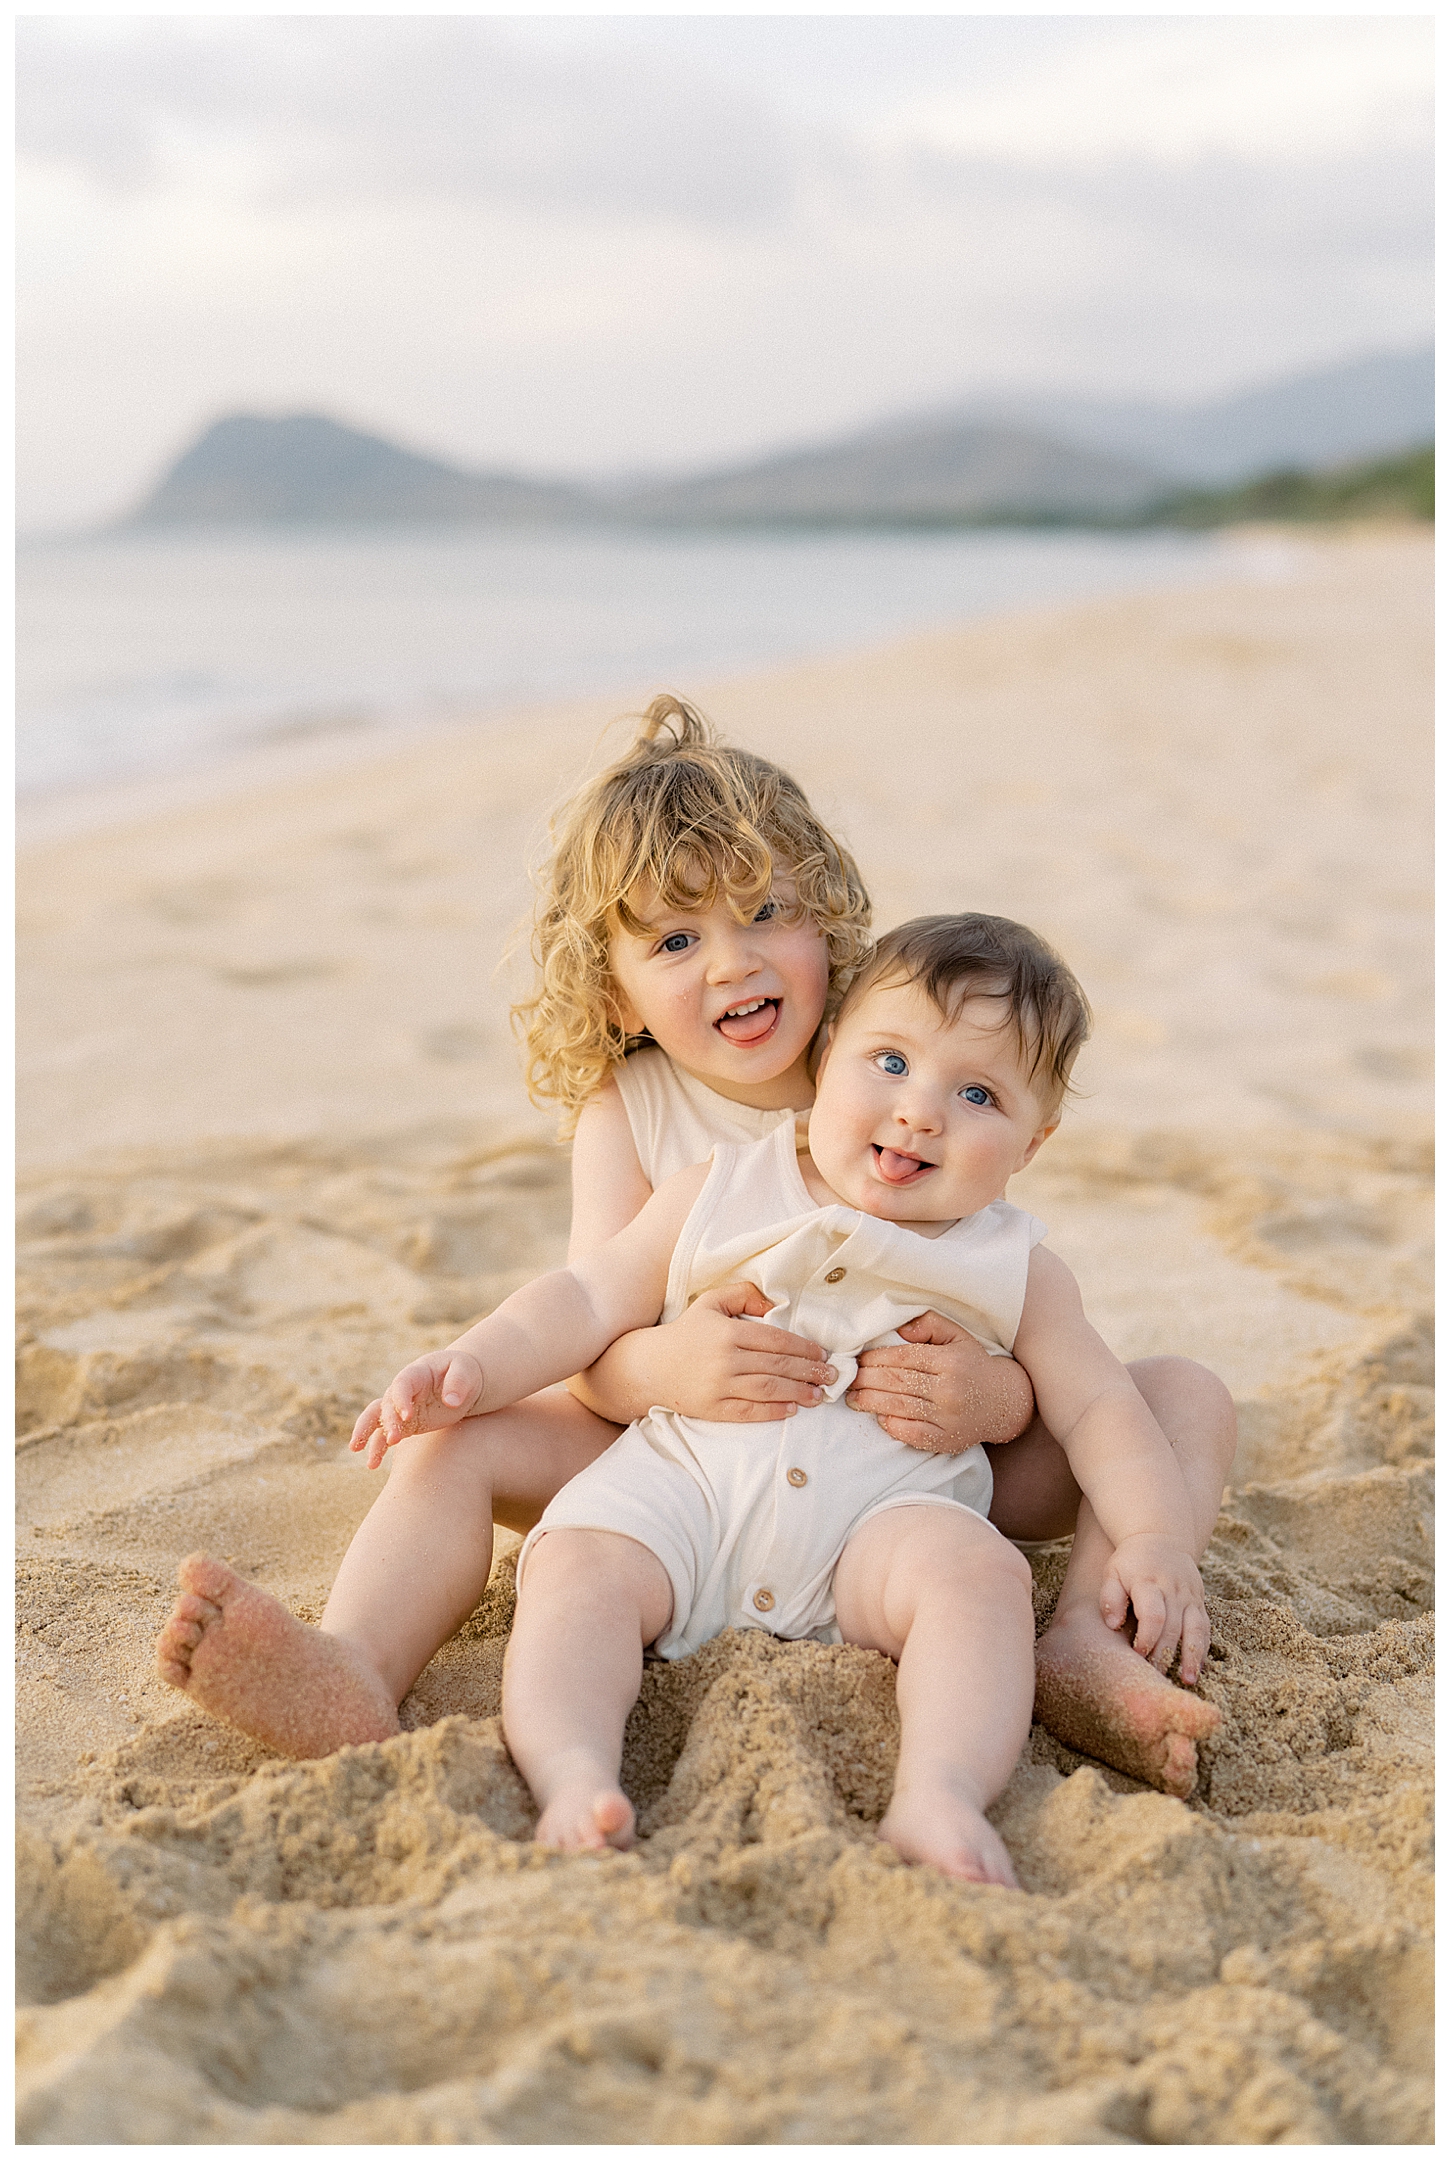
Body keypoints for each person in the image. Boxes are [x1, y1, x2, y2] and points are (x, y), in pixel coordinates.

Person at [158, 702, 1233, 1797]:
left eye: (765, 912)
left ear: (830, 923)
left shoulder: (882, 1064)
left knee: (1181, 1397)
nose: (732, 963)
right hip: (673, 1455)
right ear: (609, 980)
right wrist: (662, 1366)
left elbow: (1015, 1304)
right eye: (675, 940)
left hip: (905, 1454)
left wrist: (993, 1402)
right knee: (454, 1445)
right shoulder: (628, 1115)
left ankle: (1088, 1639)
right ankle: (356, 1663)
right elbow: (591, 1329)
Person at [345, 915, 1219, 1885]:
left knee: (977, 1580)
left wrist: (1150, 1539)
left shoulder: (1016, 1265)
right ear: (828, 1053)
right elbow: (590, 1297)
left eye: (977, 1094)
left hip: (878, 1528)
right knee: (576, 1574)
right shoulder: (719, 1187)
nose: (920, 1110)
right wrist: (471, 1364)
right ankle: (571, 1776)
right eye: (888, 1062)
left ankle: (939, 1794)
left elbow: (1102, 1410)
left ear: (1032, 1140)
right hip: (682, 1492)